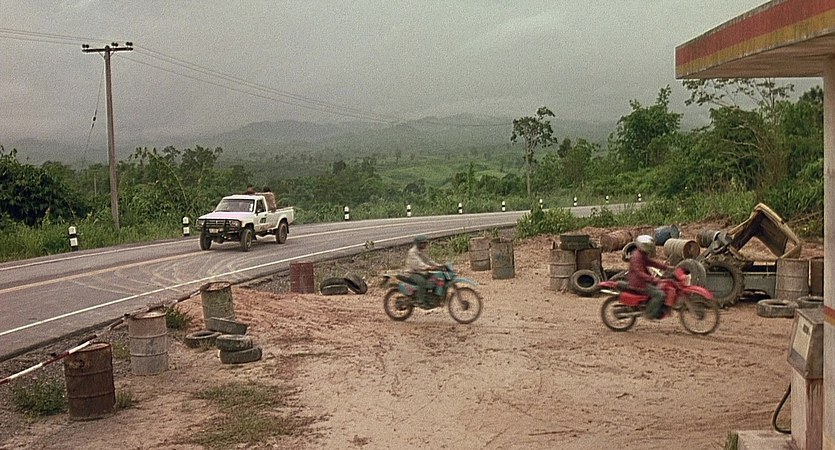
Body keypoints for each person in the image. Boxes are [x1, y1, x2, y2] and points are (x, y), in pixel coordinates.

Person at [628, 234, 671, 319]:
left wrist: (666, 267)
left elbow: (651, 263)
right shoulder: (637, 257)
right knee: (660, 294)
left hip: (641, 281)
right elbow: (639, 273)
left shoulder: (641, 254)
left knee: (661, 288)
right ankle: (650, 313)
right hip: (639, 283)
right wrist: (653, 279)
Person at [405, 235, 442, 306]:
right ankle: (420, 300)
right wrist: (429, 267)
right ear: (417, 243)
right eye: (422, 243)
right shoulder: (412, 252)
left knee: (435, 278)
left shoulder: (421, 251)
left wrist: (439, 265)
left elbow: (429, 260)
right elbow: (419, 264)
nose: (424, 245)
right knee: (422, 281)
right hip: (412, 273)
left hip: (421, 272)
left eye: (425, 243)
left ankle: (431, 296)